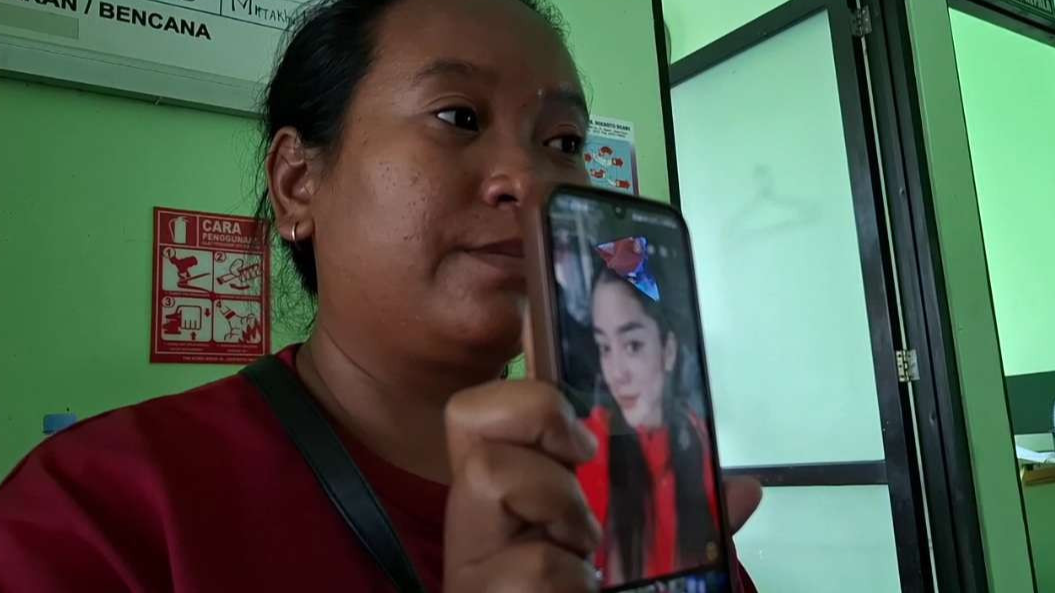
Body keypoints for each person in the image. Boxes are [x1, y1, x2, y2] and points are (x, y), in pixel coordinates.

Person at [0, 0, 761, 591]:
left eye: (563, 143)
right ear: (298, 182)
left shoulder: (638, 506)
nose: (527, 180)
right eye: (458, 117)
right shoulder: (96, 512)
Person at [581, 264, 755, 588]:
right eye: (604, 348)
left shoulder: (695, 432)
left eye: (632, 345)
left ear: (669, 350)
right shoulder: (587, 444)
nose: (616, 373)